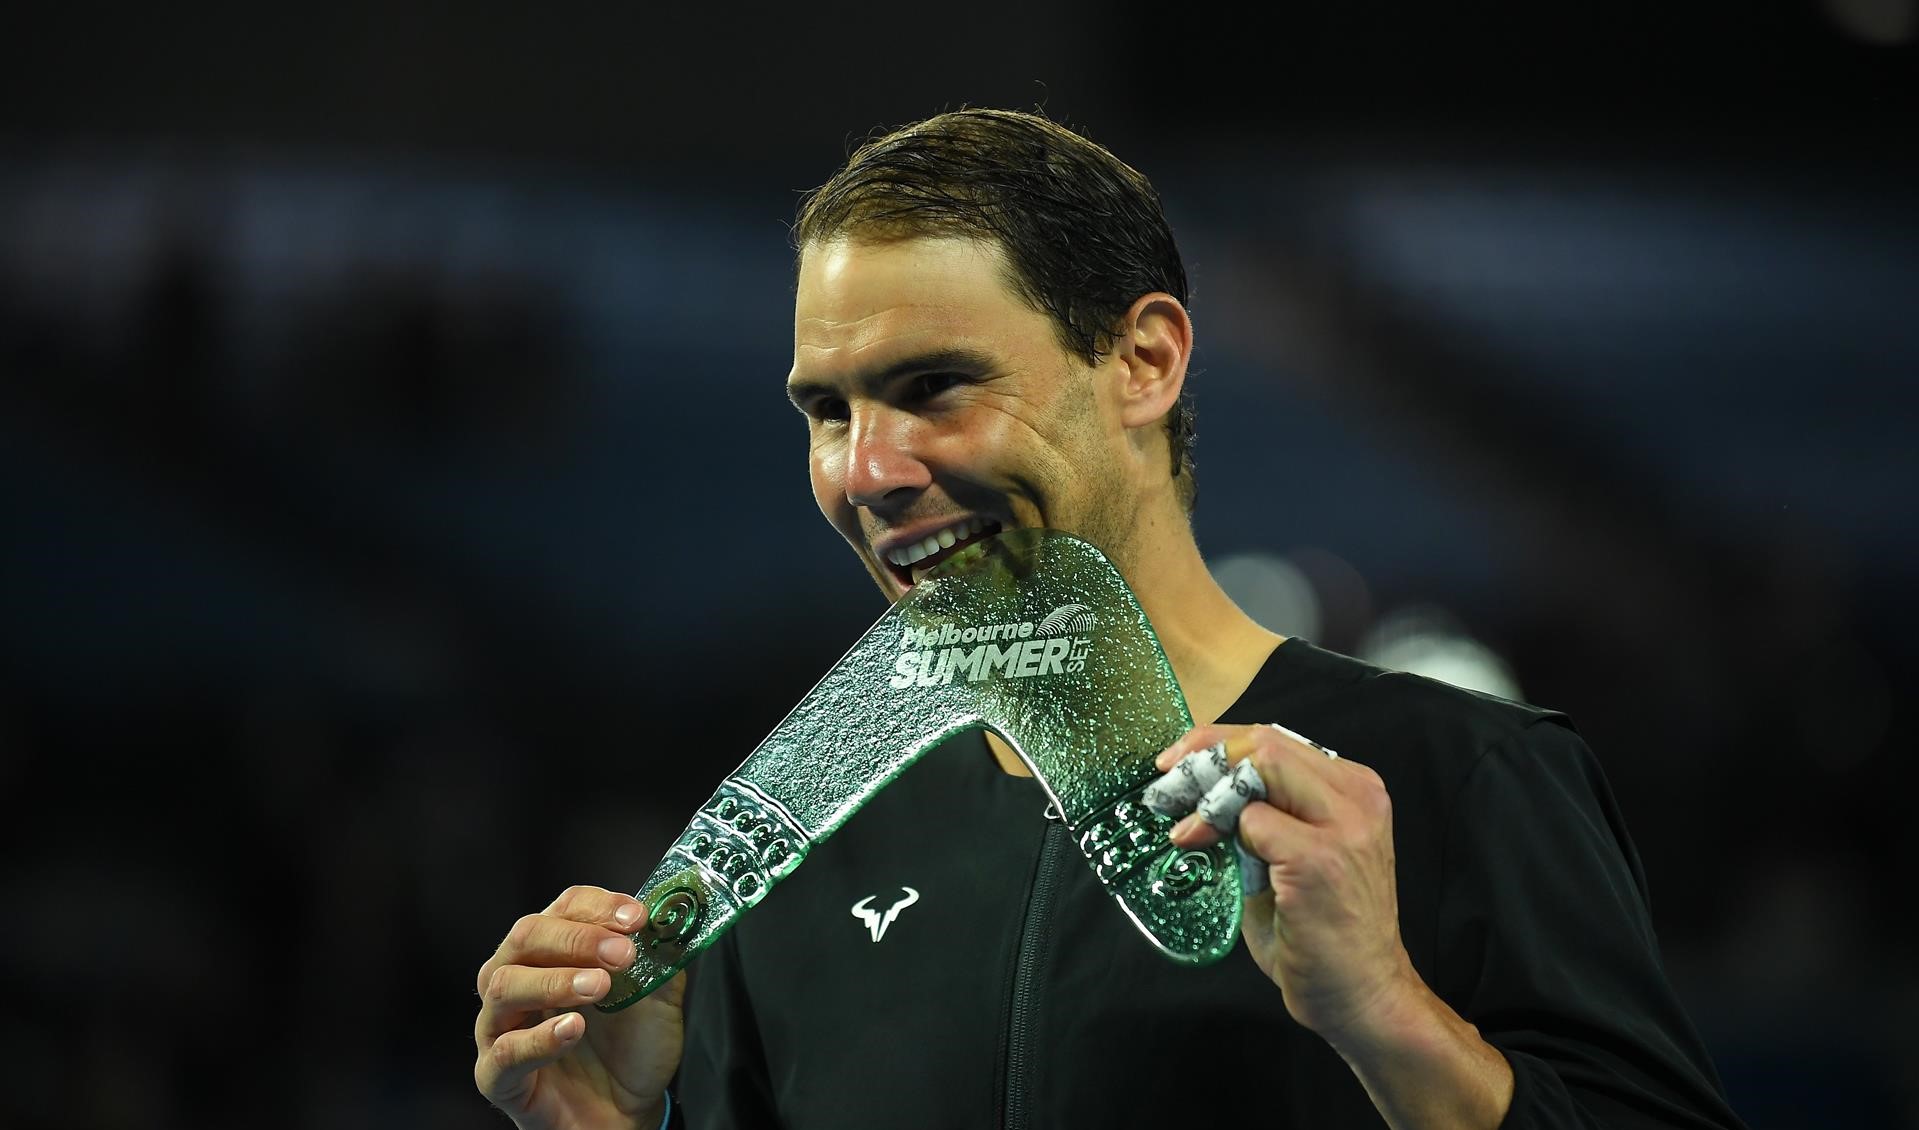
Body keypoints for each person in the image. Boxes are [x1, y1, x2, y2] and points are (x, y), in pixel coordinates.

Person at [473, 108, 1748, 1129]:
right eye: (827, 411)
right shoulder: (802, 860)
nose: (865, 471)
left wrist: (1389, 1015)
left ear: (1143, 361)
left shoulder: (1461, 777)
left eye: (933, 386)